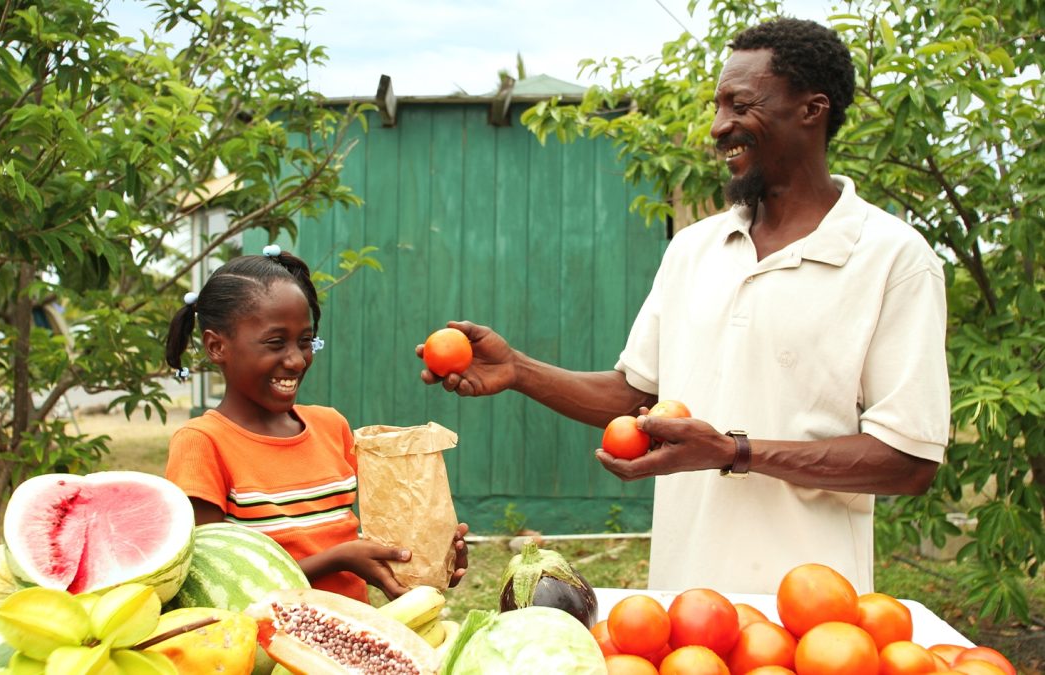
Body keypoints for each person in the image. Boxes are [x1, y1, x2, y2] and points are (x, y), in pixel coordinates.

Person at [418, 18, 949, 594]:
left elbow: (907, 460)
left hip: (814, 610)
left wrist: (732, 452)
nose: (720, 127)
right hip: (682, 602)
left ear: (812, 110)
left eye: (741, 106)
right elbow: (637, 397)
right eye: (719, 108)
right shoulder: (695, 248)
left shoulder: (892, 258)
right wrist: (519, 370)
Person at [165, 246, 468, 602]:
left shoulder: (331, 426)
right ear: (217, 347)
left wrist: (425, 560)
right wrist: (337, 560)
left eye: (305, 341)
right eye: (275, 343)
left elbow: (372, 542)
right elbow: (212, 579)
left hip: (354, 634)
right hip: (265, 646)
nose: (295, 360)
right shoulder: (202, 443)